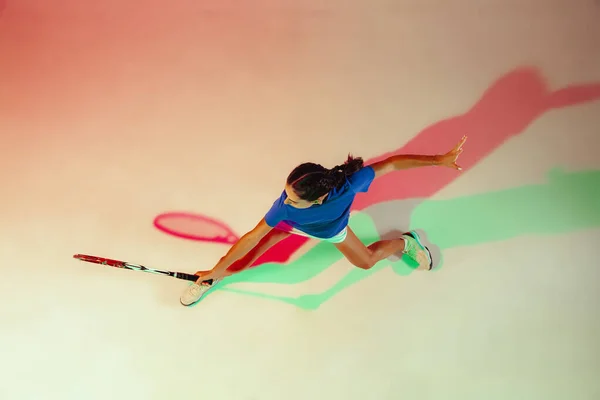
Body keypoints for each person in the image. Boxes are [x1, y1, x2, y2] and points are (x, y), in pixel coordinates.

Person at [180, 136, 467, 306]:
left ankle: (404, 243)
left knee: (366, 262)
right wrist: (217, 268)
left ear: (318, 199)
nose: (284, 199)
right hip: (293, 227)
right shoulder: (284, 211)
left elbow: (391, 164)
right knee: (245, 260)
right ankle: (213, 276)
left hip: (332, 229)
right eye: (286, 192)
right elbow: (252, 237)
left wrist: (438, 160)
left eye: (293, 198)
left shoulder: (349, 185)